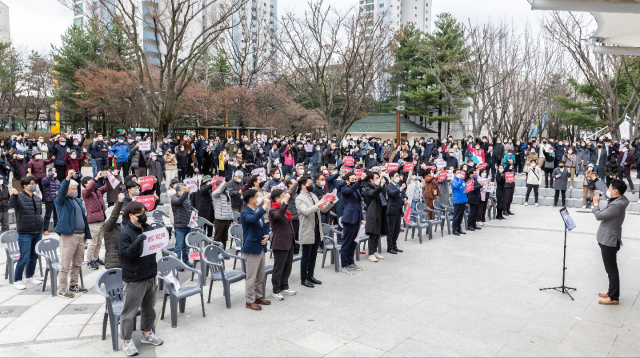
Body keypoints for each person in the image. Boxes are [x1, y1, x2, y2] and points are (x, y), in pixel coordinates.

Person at [117, 201, 164, 355]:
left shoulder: (147, 227)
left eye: (145, 212)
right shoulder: (124, 234)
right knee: (129, 311)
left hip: (150, 274)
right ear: (131, 215)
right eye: (140, 214)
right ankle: (127, 340)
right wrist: (137, 243)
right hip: (135, 277)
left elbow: (153, 245)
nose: (144, 215)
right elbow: (124, 256)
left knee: (149, 307)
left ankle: (147, 333)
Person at [588, 171, 629, 306]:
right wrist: (594, 178)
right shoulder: (621, 199)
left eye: (611, 188)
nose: (608, 190)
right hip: (610, 238)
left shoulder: (616, 205)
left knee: (611, 269)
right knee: (611, 268)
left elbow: (599, 216)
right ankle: (611, 292)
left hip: (609, 240)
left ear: (616, 191)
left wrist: (595, 204)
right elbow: (605, 189)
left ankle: (613, 297)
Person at [54, 169, 91, 298]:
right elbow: (62, 191)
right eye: (72, 188)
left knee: (77, 262)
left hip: (80, 235)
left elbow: (83, 219)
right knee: (65, 263)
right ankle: (62, 289)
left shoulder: (77, 201)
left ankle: (73, 285)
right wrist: (68, 178)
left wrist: (86, 234)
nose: (75, 190)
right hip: (69, 235)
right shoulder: (61, 201)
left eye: (76, 188)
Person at [8, 177, 44, 290]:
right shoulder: (19, 197)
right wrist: (13, 195)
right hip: (25, 232)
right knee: (24, 257)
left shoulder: (37, 198)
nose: (34, 186)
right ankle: (17, 280)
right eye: (31, 184)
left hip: (37, 231)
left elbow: (39, 213)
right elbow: (12, 205)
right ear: (25, 186)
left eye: (34, 184)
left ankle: (30, 276)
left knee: (34, 256)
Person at [295, 177, 331, 288]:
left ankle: (311, 275)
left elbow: (323, 209)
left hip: (316, 228)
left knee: (314, 255)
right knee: (306, 255)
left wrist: (331, 202)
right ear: (303, 186)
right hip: (307, 230)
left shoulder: (313, 195)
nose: (311, 185)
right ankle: (304, 278)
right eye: (309, 184)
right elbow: (306, 211)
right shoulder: (299, 198)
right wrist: (319, 204)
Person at [240, 189, 271, 311]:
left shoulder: (258, 211)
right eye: (257, 196)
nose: (259, 198)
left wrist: (267, 235)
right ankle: (249, 300)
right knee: (251, 277)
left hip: (261, 247)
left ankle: (258, 296)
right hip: (251, 248)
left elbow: (263, 226)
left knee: (260, 276)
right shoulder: (245, 213)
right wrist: (264, 207)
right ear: (251, 200)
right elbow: (252, 220)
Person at [268, 189, 297, 301]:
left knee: (288, 266)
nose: (284, 198)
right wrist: (285, 202)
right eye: (282, 196)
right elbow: (278, 216)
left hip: (289, 242)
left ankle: (284, 286)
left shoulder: (283, 210)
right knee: (278, 268)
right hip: (280, 243)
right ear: (276, 199)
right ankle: (276, 290)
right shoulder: (273, 210)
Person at [81, 171, 112, 270]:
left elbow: (107, 187)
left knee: (99, 241)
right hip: (93, 221)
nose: (92, 183)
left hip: (102, 219)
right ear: (85, 184)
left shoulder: (97, 190)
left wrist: (106, 178)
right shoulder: (86, 192)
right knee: (93, 242)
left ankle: (96, 257)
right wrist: (96, 178)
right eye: (89, 181)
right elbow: (89, 188)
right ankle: (89, 260)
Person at [339, 172, 363, 274]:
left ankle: (350, 262)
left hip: (357, 219)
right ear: (347, 181)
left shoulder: (356, 188)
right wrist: (359, 180)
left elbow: (359, 204)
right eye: (352, 179)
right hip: (349, 219)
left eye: (355, 179)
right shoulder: (344, 189)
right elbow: (350, 191)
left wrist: (362, 218)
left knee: (353, 242)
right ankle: (344, 265)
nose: (354, 181)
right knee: (346, 243)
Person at [362, 171, 387, 263]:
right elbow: (374, 193)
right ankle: (371, 254)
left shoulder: (376, 187)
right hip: (372, 214)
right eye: (376, 178)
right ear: (370, 179)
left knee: (377, 234)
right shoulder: (368, 188)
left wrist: (381, 182)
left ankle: (375, 251)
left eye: (378, 177)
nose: (378, 179)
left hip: (379, 212)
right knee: (372, 234)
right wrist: (380, 185)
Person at [171, 183, 194, 269]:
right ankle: (177, 264)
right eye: (184, 189)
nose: (186, 190)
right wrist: (186, 193)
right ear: (178, 191)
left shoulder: (186, 198)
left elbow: (191, 208)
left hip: (188, 225)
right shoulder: (174, 199)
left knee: (186, 246)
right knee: (178, 247)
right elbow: (180, 201)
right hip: (180, 226)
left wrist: (194, 213)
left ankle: (186, 261)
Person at [101, 193, 124, 270]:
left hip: (122, 261)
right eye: (119, 215)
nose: (120, 216)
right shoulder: (108, 227)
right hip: (113, 262)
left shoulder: (121, 227)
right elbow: (113, 217)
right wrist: (119, 202)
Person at [385, 170, 407, 253]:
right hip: (392, 211)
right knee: (391, 230)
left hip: (398, 210)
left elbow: (402, 195)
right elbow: (392, 193)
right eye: (396, 176)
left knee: (397, 230)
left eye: (398, 176)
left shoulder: (398, 185)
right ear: (391, 177)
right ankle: (389, 247)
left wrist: (405, 200)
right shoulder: (389, 186)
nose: (398, 177)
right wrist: (400, 189)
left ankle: (394, 246)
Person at [212, 178, 233, 249]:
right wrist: (226, 181)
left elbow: (229, 206)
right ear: (218, 186)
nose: (225, 185)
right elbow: (220, 190)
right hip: (220, 218)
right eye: (222, 183)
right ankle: (216, 252)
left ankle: (223, 252)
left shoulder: (226, 193)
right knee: (218, 237)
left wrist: (231, 217)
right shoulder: (215, 193)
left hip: (227, 218)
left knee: (225, 237)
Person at [451, 169, 467, 236]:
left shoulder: (462, 180)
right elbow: (457, 186)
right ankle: (454, 229)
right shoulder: (453, 181)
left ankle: (459, 228)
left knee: (461, 216)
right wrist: (461, 180)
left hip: (463, 200)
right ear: (454, 174)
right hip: (457, 201)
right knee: (456, 216)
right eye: (458, 173)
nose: (459, 174)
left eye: (460, 172)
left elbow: (465, 187)